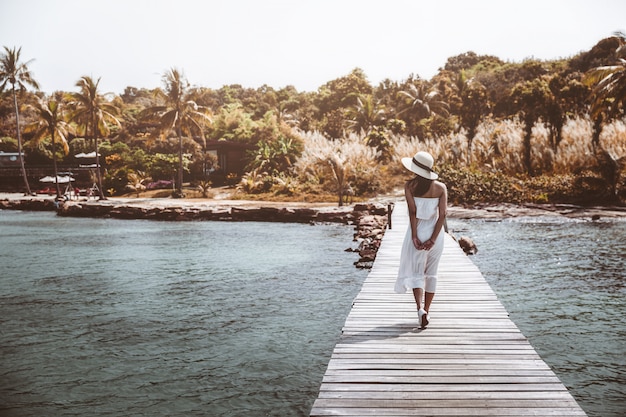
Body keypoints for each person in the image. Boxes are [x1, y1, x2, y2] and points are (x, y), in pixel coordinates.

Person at [394, 151, 447, 329]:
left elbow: (412, 212)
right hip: (436, 235)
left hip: (418, 231)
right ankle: (428, 310)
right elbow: (443, 216)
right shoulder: (441, 188)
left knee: (417, 273)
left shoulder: (410, 186)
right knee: (431, 273)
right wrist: (433, 239)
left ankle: (420, 310)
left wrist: (415, 236)